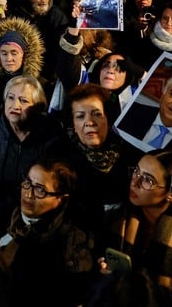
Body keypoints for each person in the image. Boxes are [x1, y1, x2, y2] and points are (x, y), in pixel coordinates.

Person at [0, 157, 97, 306]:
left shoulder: (70, 241)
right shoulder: (4, 213)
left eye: (40, 190)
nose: (28, 194)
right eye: (27, 183)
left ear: (61, 199)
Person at [101, 150, 172, 293]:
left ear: (171, 195)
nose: (135, 182)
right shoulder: (117, 216)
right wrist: (106, 275)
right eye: (136, 171)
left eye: (148, 180)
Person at [0, 75, 63, 235]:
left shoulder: (53, 137)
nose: (15, 105)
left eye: (24, 101)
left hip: (33, 220)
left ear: (38, 107)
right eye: (11, 98)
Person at [56, 84, 142, 227]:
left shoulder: (130, 153)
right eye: (80, 116)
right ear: (73, 125)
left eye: (97, 114)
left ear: (108, 119)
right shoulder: (60, 156)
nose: (90, 122)